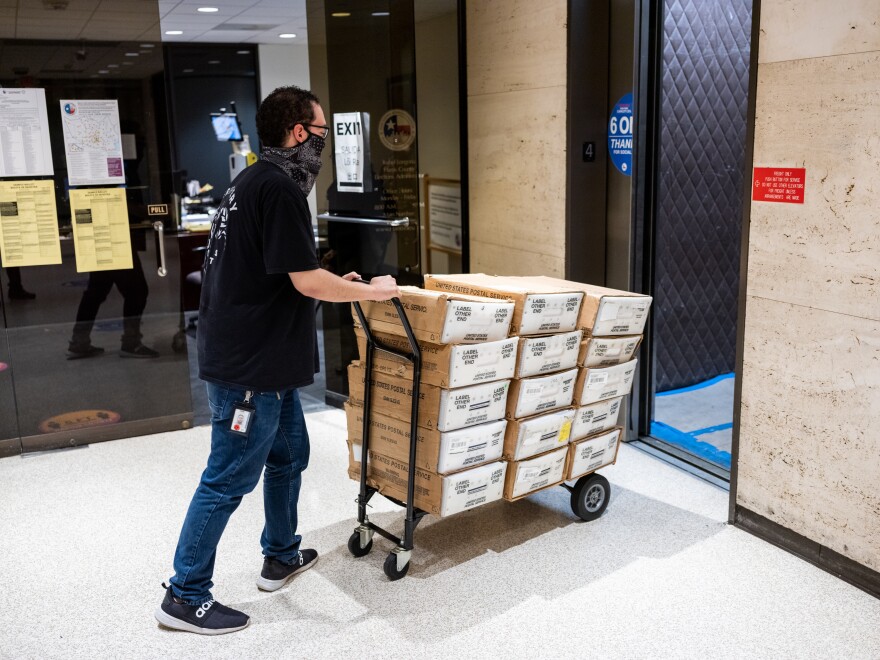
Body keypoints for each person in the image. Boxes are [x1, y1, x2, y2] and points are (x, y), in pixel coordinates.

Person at [155, 86, 399, 636]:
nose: (323, 146)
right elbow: (306, 279)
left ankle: (281, 554)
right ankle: (184, 593)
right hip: (251, 369)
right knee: (227, 479)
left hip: (261, 359)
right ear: (298, 134)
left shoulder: (249, 182)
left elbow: (278, 274)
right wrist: (373, 293)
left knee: (289, 456)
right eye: (321, 134)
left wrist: (342, 283)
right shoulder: (281, 190)